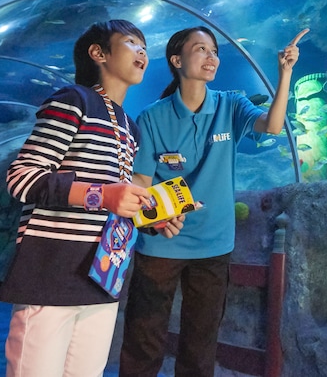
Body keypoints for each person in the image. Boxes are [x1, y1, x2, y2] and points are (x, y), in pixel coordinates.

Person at [119, 25, 308, 377]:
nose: (211, 57)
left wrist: (285, 73)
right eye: (201, 49)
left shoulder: (230, 104)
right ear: (177, 60)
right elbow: (141, 180)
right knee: (144, 336)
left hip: (213, 243)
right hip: (162, 241)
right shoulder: (152, 117)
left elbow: (272, 125)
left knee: (201, 343)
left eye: (214, 51)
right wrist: (152, 218)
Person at [0, 19, 181, 377]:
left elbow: (115, 202)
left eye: (145, 47)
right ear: (98, 53)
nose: (143, 52)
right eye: (132, 42)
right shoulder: (73, 101)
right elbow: (22, 177)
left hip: (103, 276)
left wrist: (151, 218)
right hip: (53, 272)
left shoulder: (130, 128)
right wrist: (102, 195)